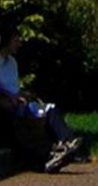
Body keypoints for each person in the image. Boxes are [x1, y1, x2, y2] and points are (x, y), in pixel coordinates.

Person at [0, 15, 85, 173]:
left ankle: (67, 145)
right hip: (5, 109)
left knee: (49, 110)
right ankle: (49, 155)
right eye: (15, 40)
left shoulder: (12, 63)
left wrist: (23, 97)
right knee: (17, 124)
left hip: (16, 104)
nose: (19, 43)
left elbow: (14, 89)